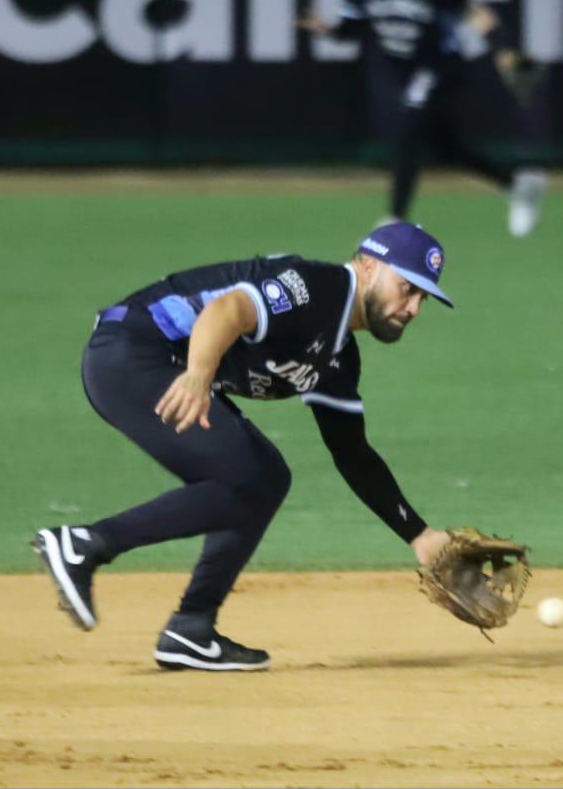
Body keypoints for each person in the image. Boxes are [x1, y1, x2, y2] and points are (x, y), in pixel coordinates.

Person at [33, 222, 458, 671]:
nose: (412, 308)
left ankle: (191, 628)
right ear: (369, 267)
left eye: (422, 298)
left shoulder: (338, 356)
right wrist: (199, 374)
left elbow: (352, 454)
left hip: (156, 364)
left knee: (266, 477)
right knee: (248, 476)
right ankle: (85, 545)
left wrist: (420, 536)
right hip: (133, 351)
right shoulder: (318, 288)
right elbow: (229, 309)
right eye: (406, 288)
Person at [299, 0, 547, 237]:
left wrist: (502, 49)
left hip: (442, 67)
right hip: (406, 74)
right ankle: (517, 185)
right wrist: (327, 30)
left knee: (410, 128)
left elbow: (476, 13)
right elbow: (354, 27)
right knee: (445, 147)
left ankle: (395, 219)